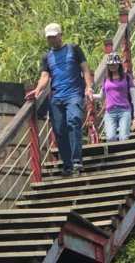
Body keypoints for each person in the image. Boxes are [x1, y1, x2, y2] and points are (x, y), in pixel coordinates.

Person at [28, 23, 93, 176]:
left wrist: (88, 87)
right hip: (56, 97)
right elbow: (45, 77)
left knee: (74, 121)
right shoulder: (47, 57)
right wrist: (37, 90)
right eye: (49, 38)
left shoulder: (74, 49)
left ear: (60, 35)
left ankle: (76, 160)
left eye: (54, 36)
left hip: (74, 94)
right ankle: (67, 164)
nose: (51, 40)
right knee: (59, 131)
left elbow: (85, 68)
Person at [95, 52, 135, 141]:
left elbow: (133, 96)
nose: (113, 66)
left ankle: (125, 154)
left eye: (114, 64)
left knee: (123, 137)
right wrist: (89, 95)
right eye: (110, 65)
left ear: (119, 64)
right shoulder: (106, 79)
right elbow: (101, 96)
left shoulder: (126, 77)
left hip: (124, 111)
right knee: (110, 138)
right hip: (110, 112)